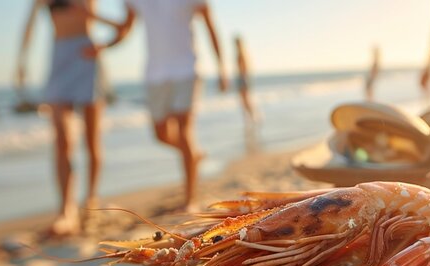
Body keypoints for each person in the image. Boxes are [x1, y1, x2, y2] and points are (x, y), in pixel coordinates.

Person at [16, 0, 127, 235]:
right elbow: (29, 26)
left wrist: (99, 36)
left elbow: (120, 26)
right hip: (59, 56)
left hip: (86, 55)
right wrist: (21, 62)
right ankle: (66, 211)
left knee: (92, 139)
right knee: (62, 139)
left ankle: (91, 201)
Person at [120, 0, 228, 211]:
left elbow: (210, 25)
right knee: (160, 134)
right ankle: (193, 155)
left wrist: (221, 67)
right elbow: (125, 27)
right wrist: (101, 38)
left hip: (186, 70)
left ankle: (190, 199)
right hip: (154, 75)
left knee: (184, 130)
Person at [234, 35, 260, 151]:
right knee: (244, 101)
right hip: (242, 79)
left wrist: (242, 81)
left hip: (242, 79)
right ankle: (250, 118)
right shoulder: (242, 54)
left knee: (245, 101)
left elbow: (243, 70)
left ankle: (253, 118)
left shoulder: (241, 54)